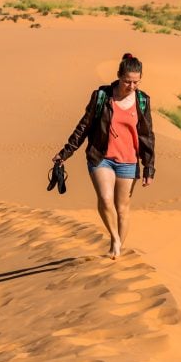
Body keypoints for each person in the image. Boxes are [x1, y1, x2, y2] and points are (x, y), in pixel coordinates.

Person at [52, 53, 155, 259]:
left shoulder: (142, 100)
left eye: (136, 82)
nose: (132, 86)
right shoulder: (102, 96)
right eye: (127, 81)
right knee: (106, 199)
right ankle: (115, 237)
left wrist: (149, 167)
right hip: (101, 157)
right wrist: (65, 152)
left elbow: (147, 135)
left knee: (122, 208)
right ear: (118, 76)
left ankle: (115, 252)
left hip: (129, 161)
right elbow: (84, 126)